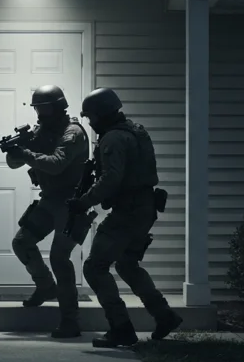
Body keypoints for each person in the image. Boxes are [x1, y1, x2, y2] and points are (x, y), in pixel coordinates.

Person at [65, 87, 183, 348]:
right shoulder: (137, 131)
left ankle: (121, 328)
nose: (91, 123)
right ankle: (165, 315)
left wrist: (83, 202)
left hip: (127, 211)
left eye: (91, 117)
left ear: (102, 114)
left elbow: (111, 179)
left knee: (94, 267)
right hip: (145, 209)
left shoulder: (113, 139)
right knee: (127, 264)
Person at [3, 84, 90, 338]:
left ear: (58, 107)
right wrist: (15, 149)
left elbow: (57, 164)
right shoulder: (42, 130)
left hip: (72, 204)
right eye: (37, 108)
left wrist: (27, 152)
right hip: (50, 200)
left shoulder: (72, 132)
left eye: (44, 107)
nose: (39, 113)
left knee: (59, 259)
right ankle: (45, 286)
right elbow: (14, 163)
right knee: (22, 242)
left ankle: (70, 321)